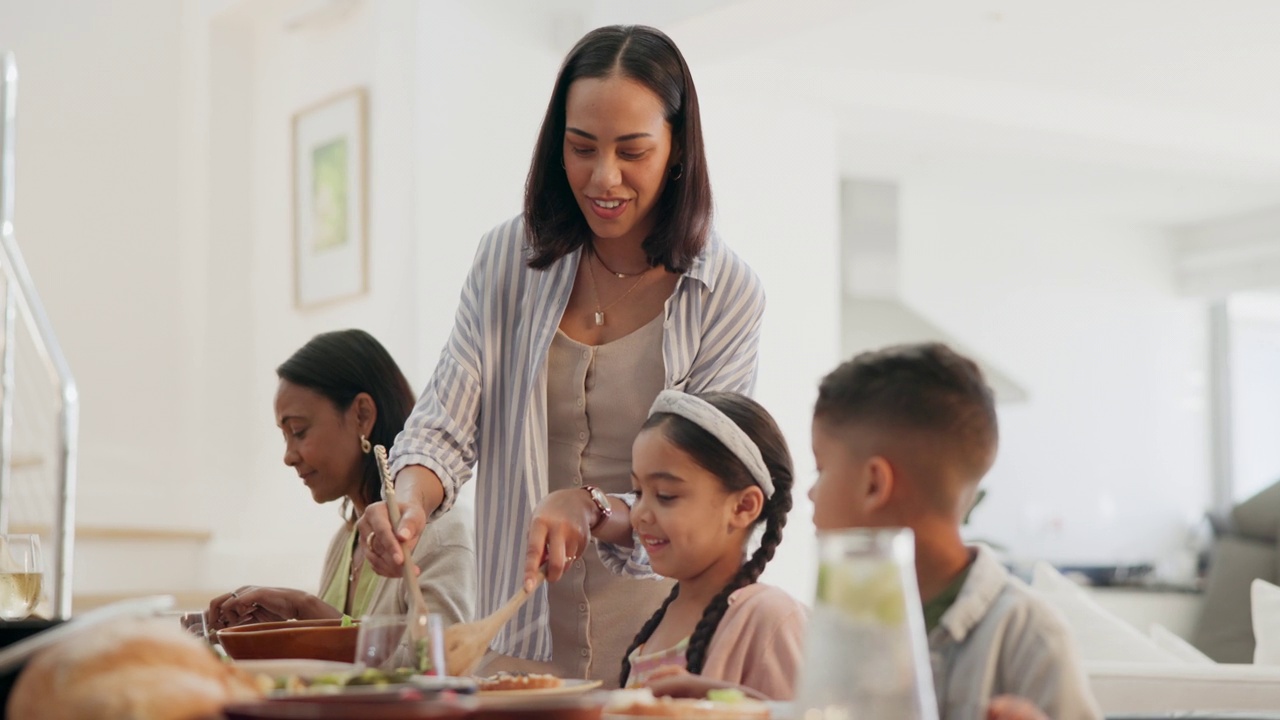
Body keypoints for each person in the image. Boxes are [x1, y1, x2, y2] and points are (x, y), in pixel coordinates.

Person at [359, 24, 765, 686]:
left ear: (679, 149)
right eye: (581, 149)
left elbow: (699, 489)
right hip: (514, 637)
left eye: (633, 151)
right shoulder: (506, 262)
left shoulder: (724, 293)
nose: (603, 178)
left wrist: (593, 506)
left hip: (657, 642)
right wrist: (408, 502)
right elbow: (444, 424)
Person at [808, 343, 1101, 720]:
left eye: (821, 469)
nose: (811, 493)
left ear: (874, 485)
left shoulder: (1030, 637)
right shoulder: (848, 622)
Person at [207, 329, 476, 631]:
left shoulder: (440, 531)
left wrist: (305, 607)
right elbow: (343, 670)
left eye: (298, 431)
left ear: (362, 415)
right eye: (285, 437)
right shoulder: (346, 541)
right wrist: (275, 632)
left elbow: (443, 664)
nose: (288, 456)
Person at [598, 390, 804, 700]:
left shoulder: (770, 617)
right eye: (638, 492)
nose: (639, 514)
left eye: (666, 495)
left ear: (742, 507)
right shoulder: (662, 620)